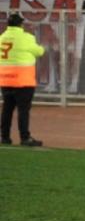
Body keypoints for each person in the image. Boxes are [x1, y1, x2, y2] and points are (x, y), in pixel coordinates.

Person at [0, 12, 45, 146]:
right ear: (21, 24)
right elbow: (39, 51)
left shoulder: (2, 37)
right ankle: (25, 137)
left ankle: (4, 137)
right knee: (23, 110)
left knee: (7, 109)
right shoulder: (26, 38)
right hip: (22, 80)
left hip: (5, 79)